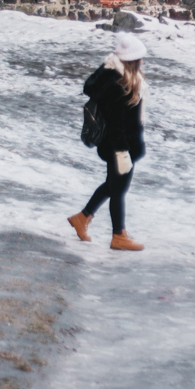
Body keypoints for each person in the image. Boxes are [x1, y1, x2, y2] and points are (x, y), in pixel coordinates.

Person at [68, 34, 148, 250]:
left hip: (121, 144)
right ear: (131, 60)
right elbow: (116, 124)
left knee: (113, 186)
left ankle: (82, 218)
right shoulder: (117, 84)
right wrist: (122, 152)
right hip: (118, 146)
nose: (142, 62)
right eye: (139, 58)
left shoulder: (122, 78)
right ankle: (118, 236)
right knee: (118, 189)